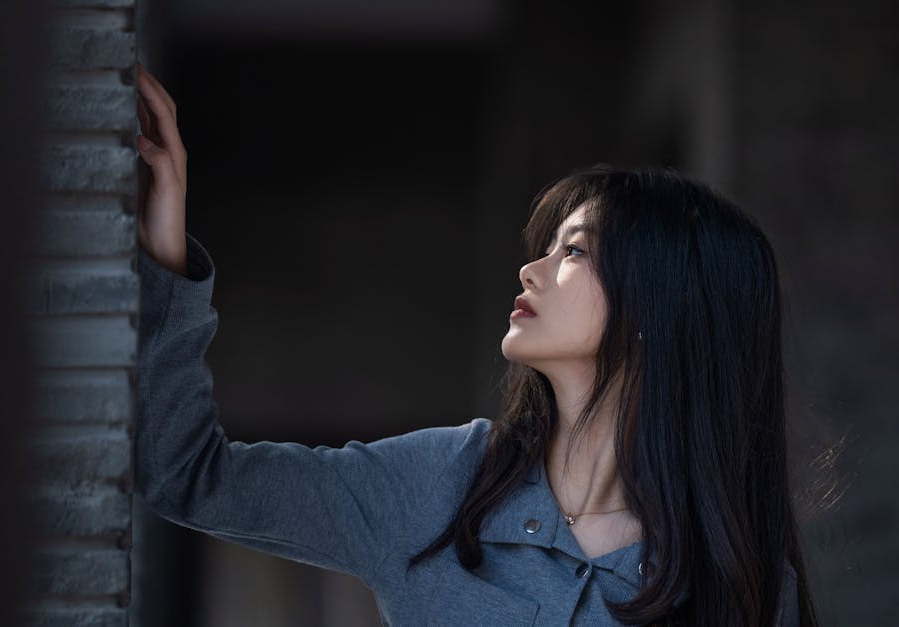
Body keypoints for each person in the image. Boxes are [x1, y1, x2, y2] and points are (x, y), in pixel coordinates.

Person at [134, 62, 819, 626]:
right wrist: (167, 260)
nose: (531, 269)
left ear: (660, 306)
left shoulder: (744, 586)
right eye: (547, 247)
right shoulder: (437, 485)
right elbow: (187, 474)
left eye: (574, 251)